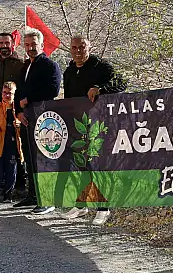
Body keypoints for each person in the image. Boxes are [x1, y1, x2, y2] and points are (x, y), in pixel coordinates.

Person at [62, 35, 127, 225]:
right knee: (81, 166)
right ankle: (81, 205)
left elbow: (121, 83)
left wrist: (100, 88)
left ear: (89, 47)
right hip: (78, 126)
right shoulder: (69, 71)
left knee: (98, 166)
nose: (78, 51)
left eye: (82, 47)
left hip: (100, 125)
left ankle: (103, 208)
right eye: (74, 47)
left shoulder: (101, 66)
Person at [14, 29, 62, 214]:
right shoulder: (25, 66)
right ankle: (33, 195)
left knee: (44, 159)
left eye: (33, 44)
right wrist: (19, 112)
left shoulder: (50, 66)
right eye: (27, 45)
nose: (30, 48)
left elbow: (53, 89)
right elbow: (18, 92)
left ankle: (48, 200)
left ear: (41, 45)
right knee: (30, 158)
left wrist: (29, 99)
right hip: (27, 118)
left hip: (44, 119)